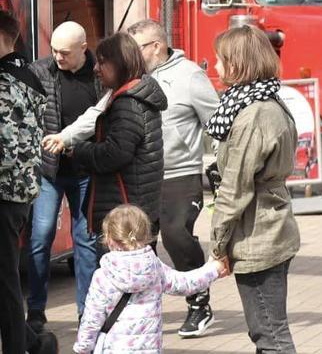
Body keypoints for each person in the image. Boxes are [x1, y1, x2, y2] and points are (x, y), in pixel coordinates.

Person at [207, 25, 301, 354]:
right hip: (271, 227)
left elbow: (235, 187)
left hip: (258, 235)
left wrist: (217, 243)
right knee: (268, 331)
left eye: (220, 60)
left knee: (269, 335)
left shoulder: (254, 114)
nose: (215, 67)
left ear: (236, 64)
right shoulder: (267, 99)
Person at [0, 9, 57, 354]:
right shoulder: (27, 73)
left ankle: (22, 347)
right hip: (14, 193)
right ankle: (34, 343)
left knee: (0, 283)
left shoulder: (3, 79)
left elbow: (0, 141)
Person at [126, 18, 221, 337]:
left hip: (181, 172)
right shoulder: (133, 77)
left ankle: (199, 302)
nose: (132, 55)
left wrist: (221, 163)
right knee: (139, 244)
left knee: (175, 234)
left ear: (156, 46)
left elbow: (217, 123)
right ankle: (144, 309)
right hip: (143, 174)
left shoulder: (190, 75)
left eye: (136, 48)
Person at [73, 204, 228, 354]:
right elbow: (185, 283)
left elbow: (92, 320)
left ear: (108, 238)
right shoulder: (154, 267)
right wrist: (214, 269)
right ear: (145, 235)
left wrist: (83, 347)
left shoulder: (103, 276)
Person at [27, 21, 100, 329]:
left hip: (85, 170)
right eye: (54, 50)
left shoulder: (99, 74)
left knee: (85, 241)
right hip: (50, 170)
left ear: (84, 49)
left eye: (65, 53)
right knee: (40, 238)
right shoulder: (40, 70)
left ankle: (87, 311)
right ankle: (36, 310)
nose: (58, 57)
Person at [69, 32, 167, 255]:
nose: (96, 68)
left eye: (102, 62)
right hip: (137, 208)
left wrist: (79, 151)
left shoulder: (128, 103)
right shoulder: (138, 94)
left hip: (125, 213)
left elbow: (115, 154)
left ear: (120, 63)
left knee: (122, 284)